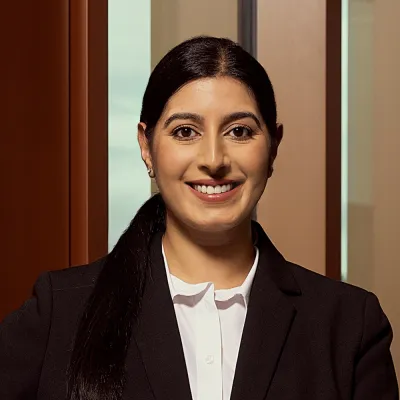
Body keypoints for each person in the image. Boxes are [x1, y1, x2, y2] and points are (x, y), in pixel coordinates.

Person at [0, 36, 398, 400]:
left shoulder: (350, 326)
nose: (213, 159)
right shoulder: (59, 311)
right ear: (146, 146)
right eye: (185, 131)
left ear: (273, 147)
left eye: (239, 131)